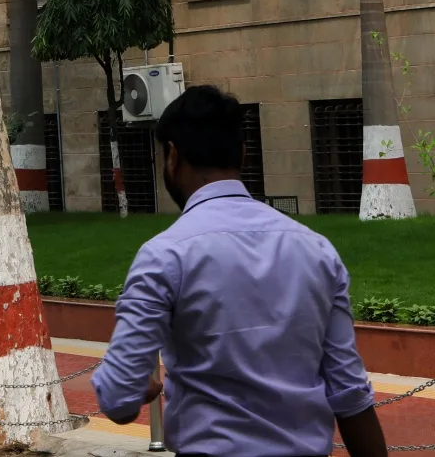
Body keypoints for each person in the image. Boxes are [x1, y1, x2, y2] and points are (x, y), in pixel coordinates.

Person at [92, 85, 387, 457]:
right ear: (243, 154)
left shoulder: (163, 256)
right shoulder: (317, 251)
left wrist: (141, 388)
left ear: (172, 157)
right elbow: (350, 393)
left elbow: (118, 398)